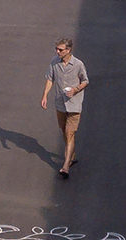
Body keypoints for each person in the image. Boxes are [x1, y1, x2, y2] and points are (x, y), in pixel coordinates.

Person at [39, 38, 90, 178]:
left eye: (60, 50)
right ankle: (71, 155)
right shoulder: (54, 62)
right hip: (60, 103)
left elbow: (86, 81)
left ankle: (66, 165)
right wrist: (44, 96)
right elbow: (50, 79)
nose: (57, 52)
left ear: (68, 50)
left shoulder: (78, 64)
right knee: (63, 130)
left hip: (74, 104)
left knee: (70, 133)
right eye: (56, 49)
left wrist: (75, 89)